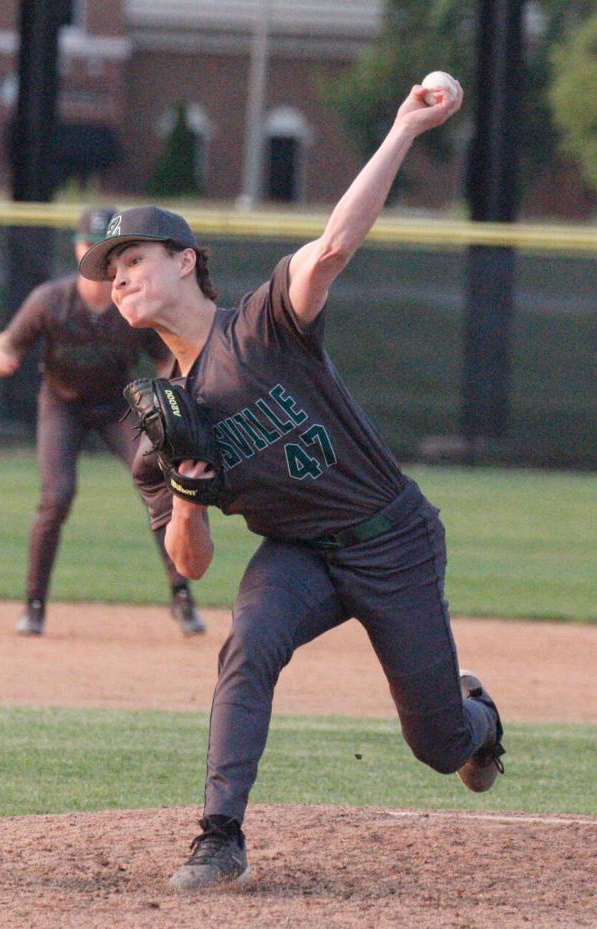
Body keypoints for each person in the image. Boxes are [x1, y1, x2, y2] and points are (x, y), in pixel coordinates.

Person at [78, 78, 504, 891]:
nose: (120, 278)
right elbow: (190, 563)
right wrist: (191, 490)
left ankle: (477, 716)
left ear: (186, 260)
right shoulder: (160, 426)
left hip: (393, 538)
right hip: (299, 553)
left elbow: (335, 245)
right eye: (112, 269)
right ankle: (218, 834)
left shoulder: (265, 324)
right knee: (249, 643)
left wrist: (405, 129)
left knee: (440, 746)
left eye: (133, 259)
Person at [0, 206, 206, 638]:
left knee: (160, 490)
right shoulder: (50, 301)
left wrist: (172, 389)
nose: (103, 260)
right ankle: (34, 605)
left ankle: (182, 597)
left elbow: (167, 358)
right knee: (57, 495)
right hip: (61, 405)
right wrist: (2, 355)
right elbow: (6, 342)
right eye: (92, 247)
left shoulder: (133, 306)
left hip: (116, 405)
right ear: (78, 250)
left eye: (113, 251)